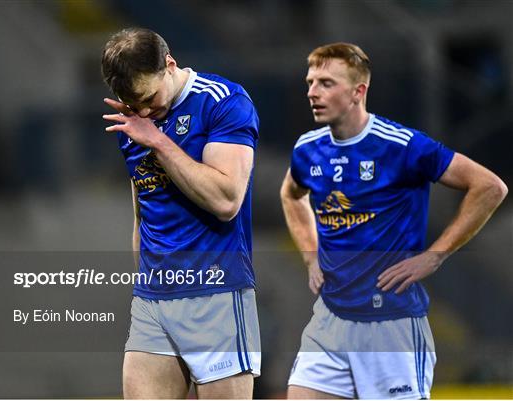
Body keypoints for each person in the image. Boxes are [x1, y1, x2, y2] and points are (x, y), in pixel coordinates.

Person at [280, 42, 508, 399]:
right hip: (330, 320)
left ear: (358, 92)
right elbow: (291, 195)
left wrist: (436, 254)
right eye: (310, 82)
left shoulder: (401, 146)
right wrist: (310, 255)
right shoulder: (307, 148)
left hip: (391, 325)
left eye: (326, 83)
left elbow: (490, 186)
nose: (312, 92)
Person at [101, 27, 260, 399]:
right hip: (153, 299)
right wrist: (141, 289)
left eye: (149, 98)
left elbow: (226, 200)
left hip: (216, 294)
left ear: (169, 65)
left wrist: (157, 140)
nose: (143, 111)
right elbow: (143, 214)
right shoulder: (133, 123)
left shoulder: (222, 102)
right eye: (132, 103)